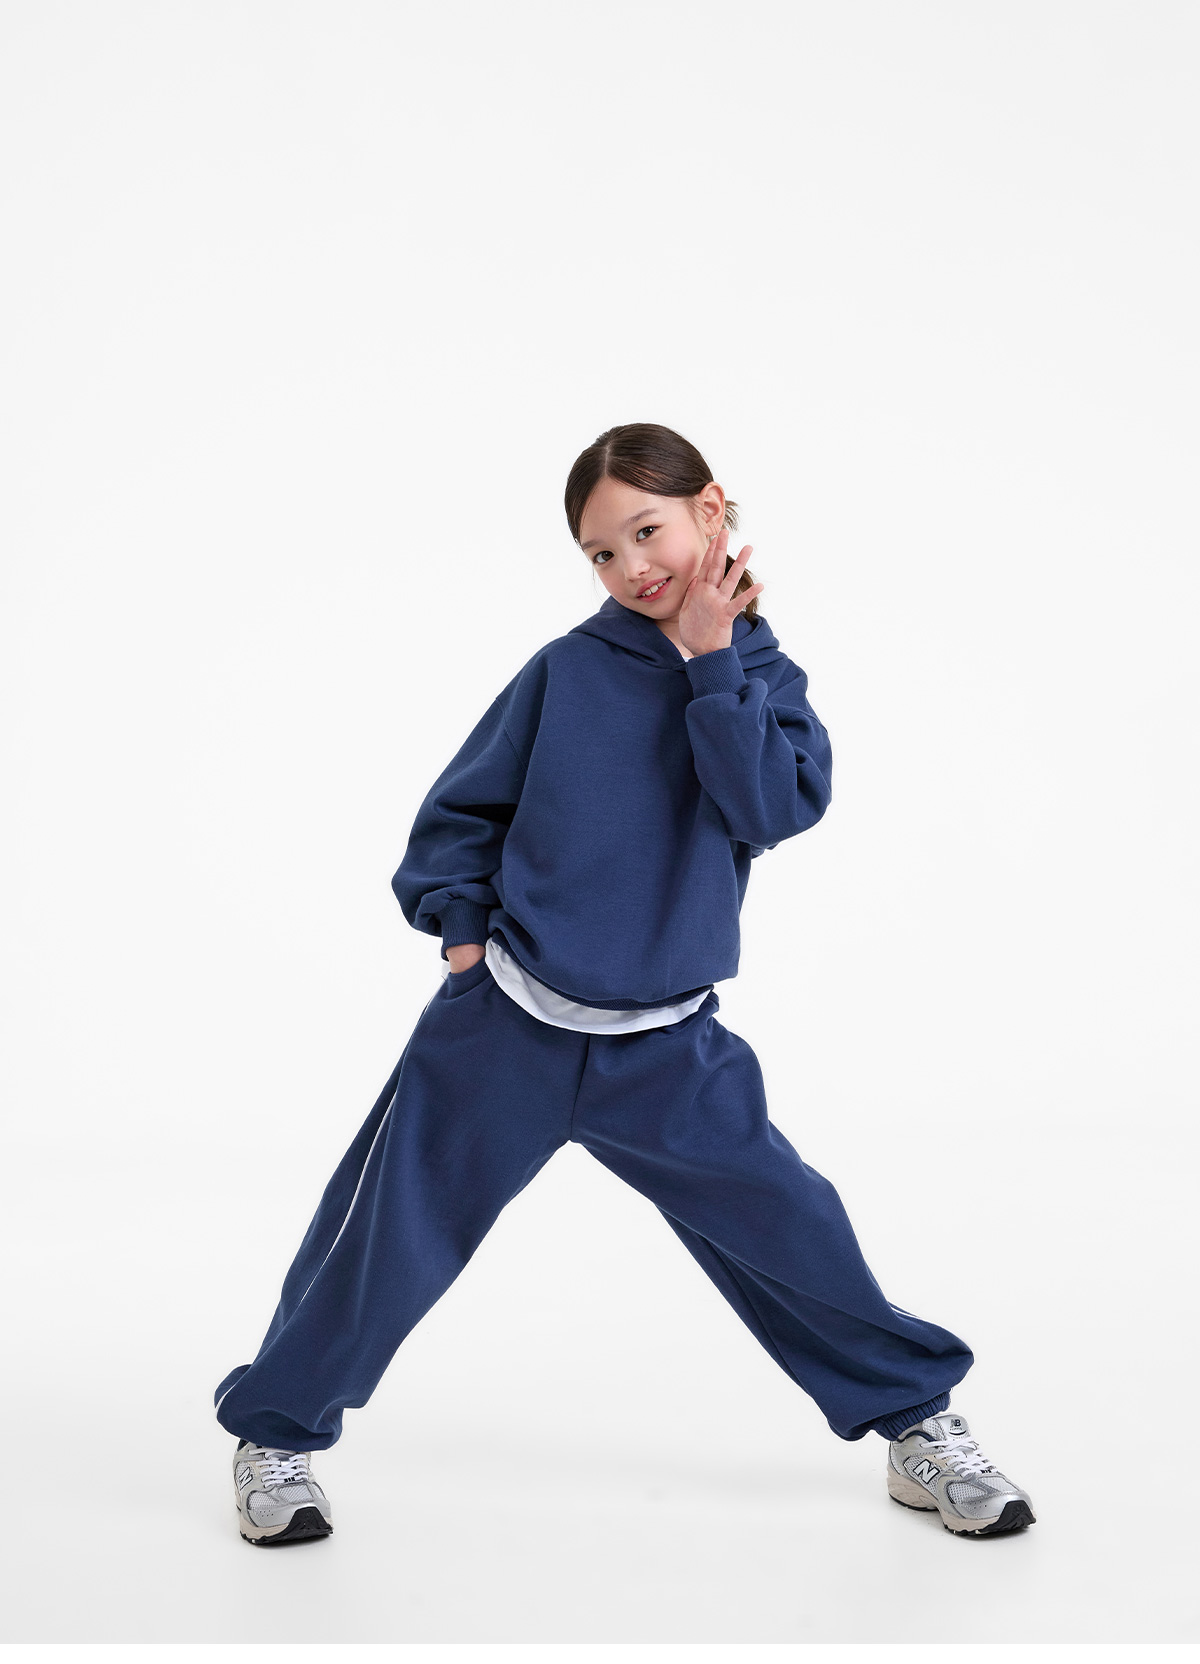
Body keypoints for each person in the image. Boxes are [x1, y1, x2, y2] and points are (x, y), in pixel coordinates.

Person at [215, 422, 1037, 1545]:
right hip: (508, 1024)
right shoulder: (564, 670)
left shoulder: (762, 678)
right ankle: (274, 1435)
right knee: (384, 1244)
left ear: (713, 509)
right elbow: (459, 815)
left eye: (646, 531)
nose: (631, 566)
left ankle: (918, 1426)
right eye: (602, 552)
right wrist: (464, 937)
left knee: (793, 1230)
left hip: (668, 1044)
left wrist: (711, 663)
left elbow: (771, 809)